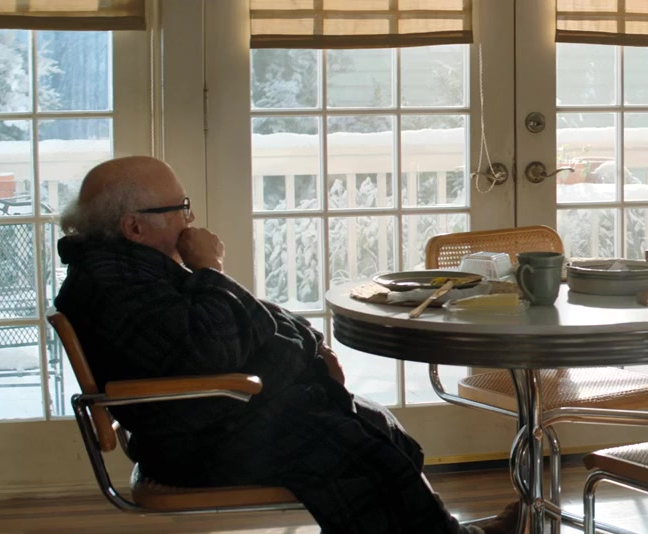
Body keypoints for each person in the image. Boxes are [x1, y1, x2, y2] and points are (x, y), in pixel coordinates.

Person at [54, 156, 517, 534]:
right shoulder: (111, 287)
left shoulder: (131, 269)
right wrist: (210, 269)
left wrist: (309, 347)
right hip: (200, 440)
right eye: (180, 207)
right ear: (134, 227)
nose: (190, 219)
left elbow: (228, 324)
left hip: (218, 420)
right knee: (359, 449)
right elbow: (211, 349)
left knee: (379, 429)